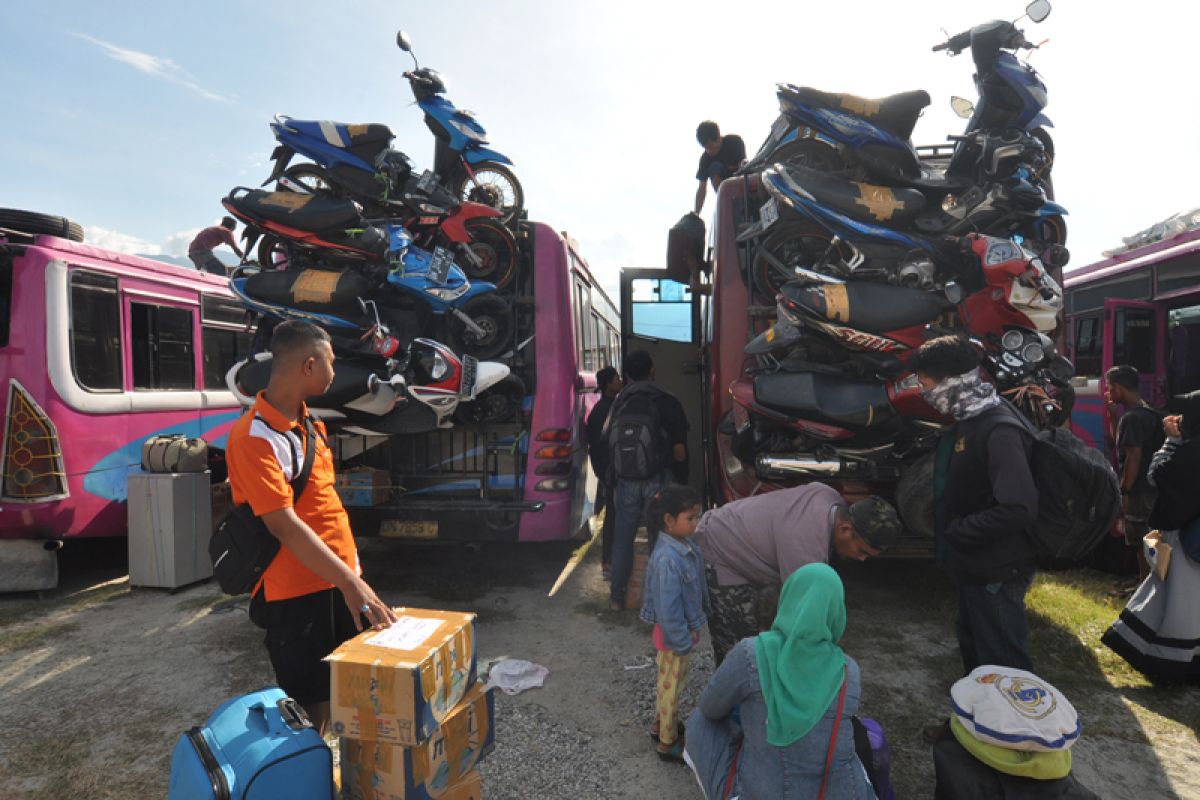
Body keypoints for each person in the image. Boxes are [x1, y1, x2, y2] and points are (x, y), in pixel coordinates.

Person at [227, 320, 398, 734]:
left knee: (339, 688)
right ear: (308, 365)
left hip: (334, 581)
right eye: (330, 362)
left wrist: (350, 576)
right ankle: (308, 771)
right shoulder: (253, 437)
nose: (335, 372)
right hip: (295, 592)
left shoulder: (312, 426)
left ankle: (325, 767)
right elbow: (284, 526)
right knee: (308, 703)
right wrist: (351, 584)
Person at [684, 564, 878, 800]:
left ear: (789, 598)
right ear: (836, 611)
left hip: (766, 792)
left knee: (699, 721)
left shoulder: (751, 653)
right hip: (842, 792)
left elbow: (709, 707)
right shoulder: (848, 669)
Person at [912, 336, 1039, 678]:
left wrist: (959, 531)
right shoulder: (970, 418)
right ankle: (978, 728)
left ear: (952, 381)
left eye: (926, 385)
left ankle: (1016, 729)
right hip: (975, 565)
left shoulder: (998, 429)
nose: (924, 393)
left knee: (1004, 665)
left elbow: (1018, 506)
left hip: (997, 570)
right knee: (977, 655)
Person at [694, 485, 901, 665]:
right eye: (862, 550)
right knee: (742, 651)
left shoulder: (830, 498)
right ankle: (731, 704)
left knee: (761, 646)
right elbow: (802, 622)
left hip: (741, 538)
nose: (862, 559)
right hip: (719, 549)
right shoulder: (805, 546)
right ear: (845, 529)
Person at [1102, 391, 1200, 680]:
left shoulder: (1192, 451)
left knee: (1179, 604)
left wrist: (1171, 441)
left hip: (1185, 540)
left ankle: (1170, 665)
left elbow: (1157, 474)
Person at [606, 350, 690, 610]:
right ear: (652, 370)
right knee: (659, 540)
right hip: (657, 480)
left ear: (627, 374)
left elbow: (607, 439)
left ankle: (616, 598)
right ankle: (655, 603)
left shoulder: (619, 401)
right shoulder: (667, 400)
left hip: (626, 481)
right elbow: (679, 450)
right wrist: (681, 480)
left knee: (623, 539)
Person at [639, 485, 706, 763]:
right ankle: (667, 742)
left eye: (696, 517)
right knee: (672, 688)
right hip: (673, 637)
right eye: (690, 518)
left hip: (676, 634)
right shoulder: (668, 559)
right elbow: (668, 610)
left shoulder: (683, 546)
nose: (695, 523)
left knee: (668, 684)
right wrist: (681, 640)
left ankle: (661, 725)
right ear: (669, 520)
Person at [1105, 364, 1163, 591]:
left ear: (1118, 388)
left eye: (1110, 387)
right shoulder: (1147, 412)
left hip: (1139, 489)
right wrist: (1111, 415)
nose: (1108, 392)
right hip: (1151, 486)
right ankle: (1143, 580)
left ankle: (1146, 586)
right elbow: (1117, 443)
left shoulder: (1132, 418)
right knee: (1147, 537)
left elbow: (1133, 458)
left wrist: (1125, 490)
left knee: (1141, 539)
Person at [586, 366, 623, 579]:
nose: (619, 382)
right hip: (612, 473)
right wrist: (607, 474)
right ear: (608, 384)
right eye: (616, 379)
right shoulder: (606, 411)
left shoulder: (605, 407)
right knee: (613, 518)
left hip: (608, 472)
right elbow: (599, 447)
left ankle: (609, 560)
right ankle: (608, 561)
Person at [694, 121, 746, 215]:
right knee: (714, 167)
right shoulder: (705, 159)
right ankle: (725, 199)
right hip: (726, 191)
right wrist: (696, 213)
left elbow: (742, 165)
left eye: (710, 146)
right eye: (705, 148)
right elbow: (702, 187)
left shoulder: (734, 142)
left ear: (718, 138)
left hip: (741, 181)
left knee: (716, 166)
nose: (709, 151)